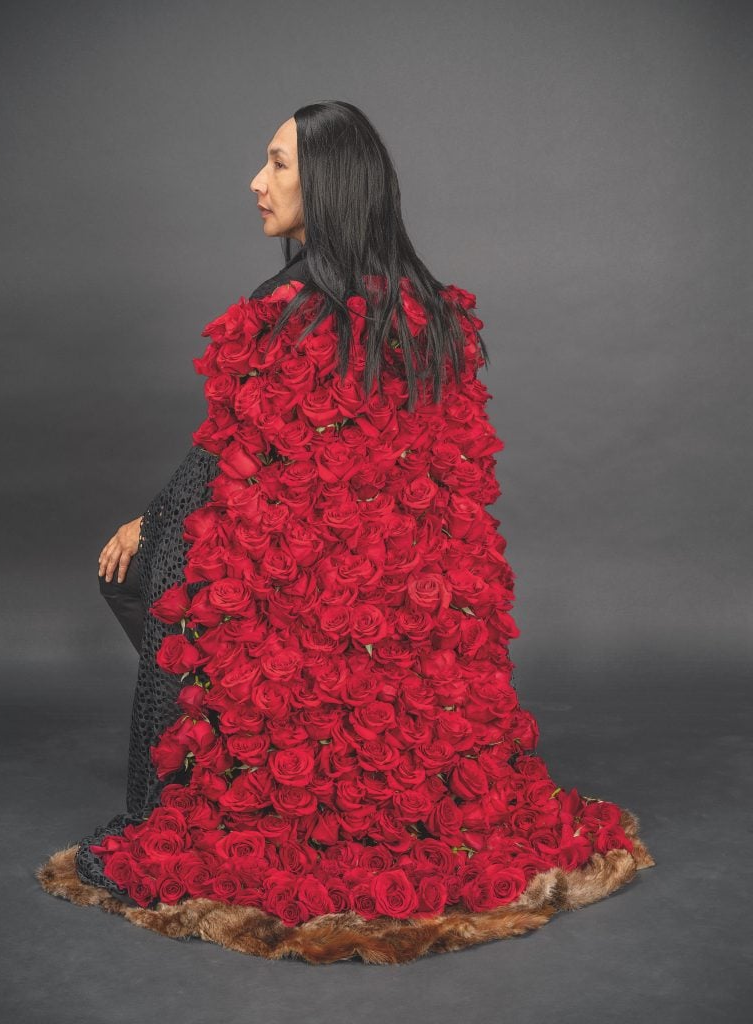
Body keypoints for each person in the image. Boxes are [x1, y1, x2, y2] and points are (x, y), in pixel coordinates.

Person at [37, 101, 654, 964]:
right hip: (410, 622)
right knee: (184, 559)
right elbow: (417, 482)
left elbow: (233, 458)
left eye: (280, 164)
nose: (258, 182)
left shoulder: (285, 311)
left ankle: (199, 782)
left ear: (329, 183)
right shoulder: (427, 313)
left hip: (309, 602)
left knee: (156, 574)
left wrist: (159, 526)